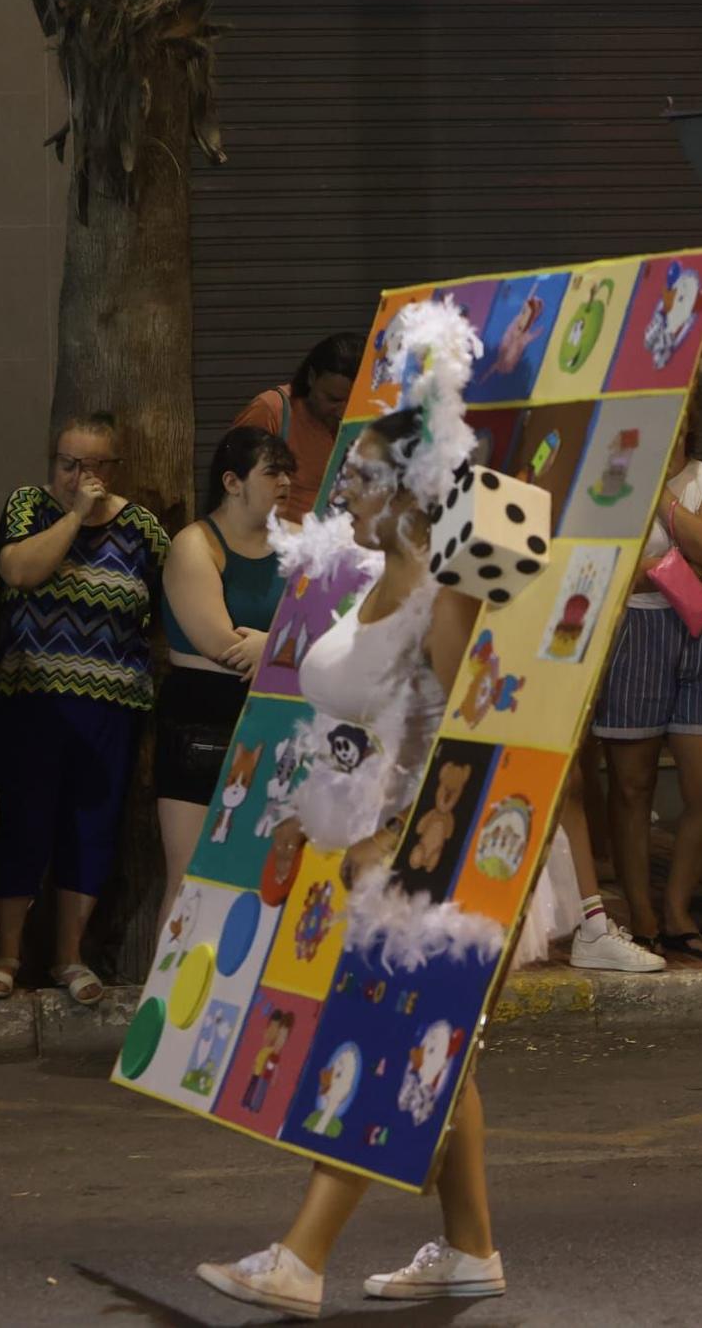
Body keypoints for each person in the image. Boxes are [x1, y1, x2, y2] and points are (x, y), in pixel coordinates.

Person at [197, 409, 504, 1317]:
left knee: (379, 1039)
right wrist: (302, 814)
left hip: (421, 854)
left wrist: (401, 832)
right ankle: (471, 1248)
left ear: (413, 487)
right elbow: (345, 720)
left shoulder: (449, 589)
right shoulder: (369, 572)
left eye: (361, 475)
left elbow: (473, 734)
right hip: (352, 836)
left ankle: (301, 1255)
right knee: (437, 1051)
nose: (340, 490)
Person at [0, 413, 170, 1005]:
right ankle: (8, 951)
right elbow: (20, 572)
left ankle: (69, 955)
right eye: (67, 463)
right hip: (33, 702)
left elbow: (167, 611)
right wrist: (75, 517)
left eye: (92, 466)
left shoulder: (144, 529)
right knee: (24, 824)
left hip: (110, 707)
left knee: (91, 828)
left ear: (113, 468)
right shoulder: (28, 508)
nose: (78, 475)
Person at [591, 410, 702, 959]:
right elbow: (611, 565)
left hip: (701, 634)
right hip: (632, 628)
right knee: (631, 786)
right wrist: (678, 569)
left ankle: (678, 908)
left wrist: (656, 493)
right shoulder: (610, 477)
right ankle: (643, 913)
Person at [154, 426, 295, 925]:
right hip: (202, 714)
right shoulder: (196, 544)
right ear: (233, 482)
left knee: (262, 872)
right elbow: (222, 646)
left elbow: (330, 622)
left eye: (288, 472)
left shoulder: (297, 542)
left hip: (276, 714)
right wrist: (282, 646)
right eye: (272, 472)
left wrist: (270, 648)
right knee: (191, 873)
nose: (285, 482)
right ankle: (168, 1000)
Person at [232, 332, 362, 519]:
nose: (342, 411)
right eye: (333, 399)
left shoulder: (363, 422)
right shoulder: (272, 410)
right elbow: (233, 490)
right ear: (311, 378)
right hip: (277, 542)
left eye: (352, 402)